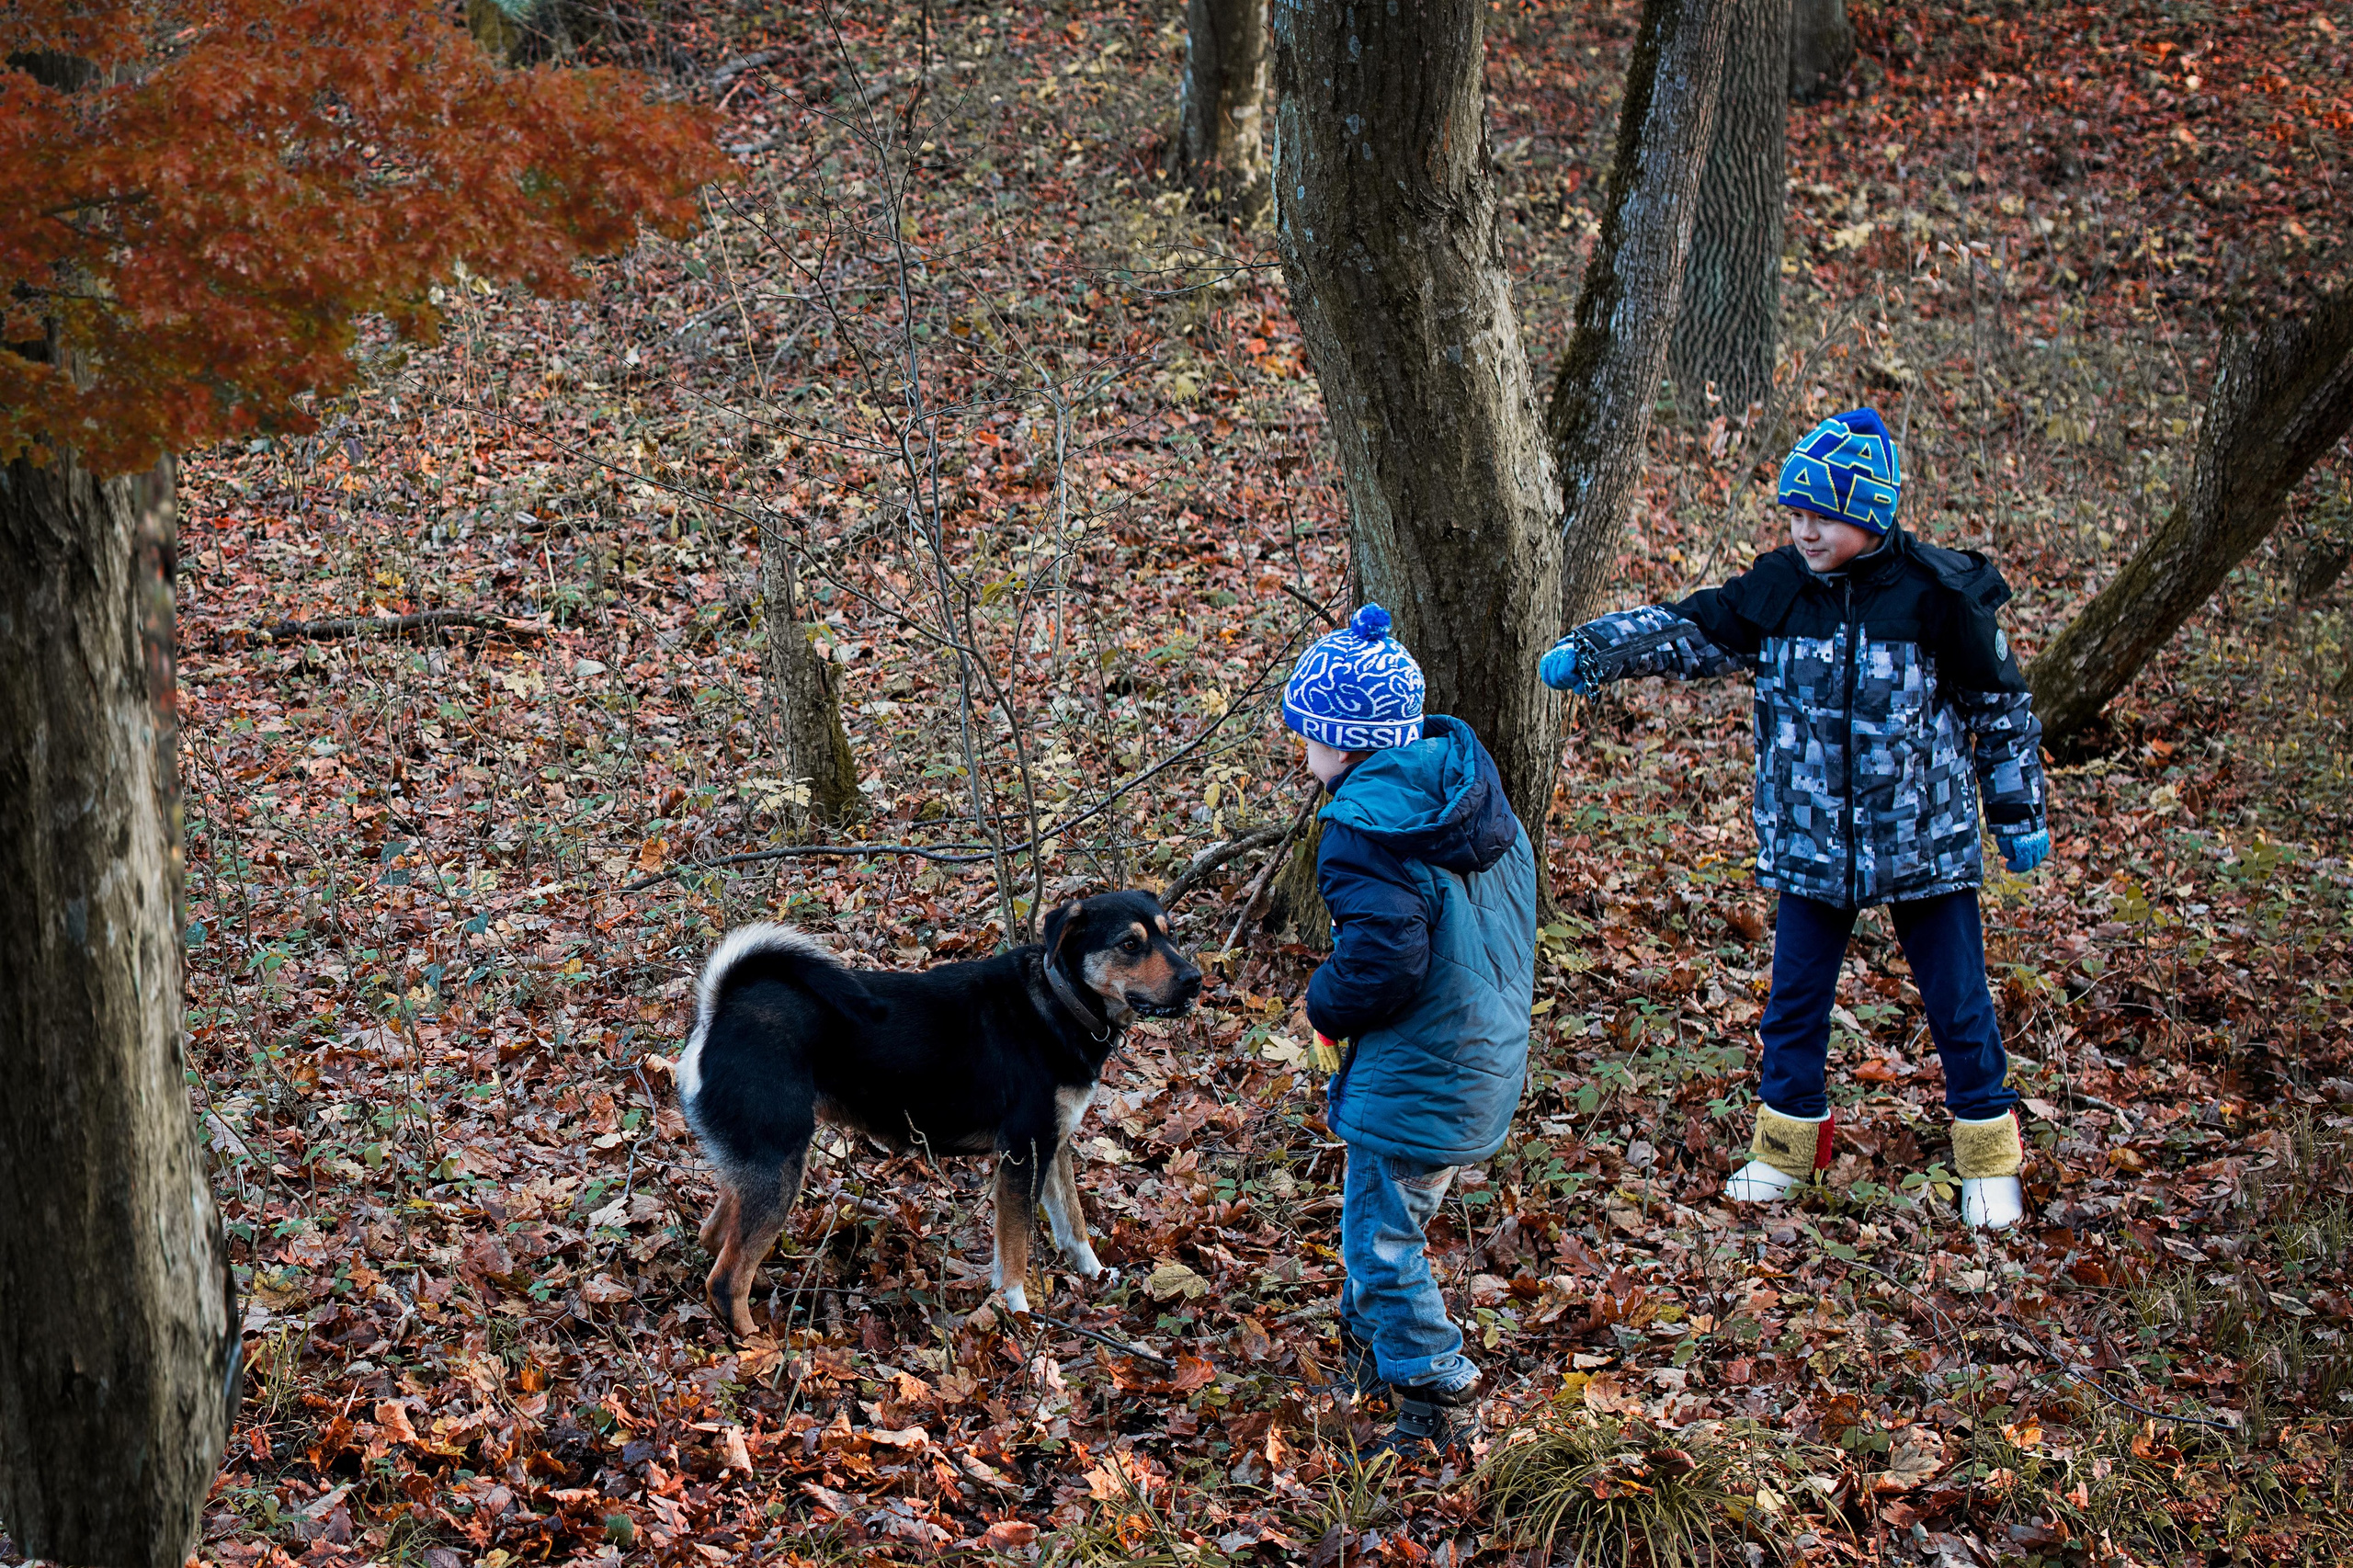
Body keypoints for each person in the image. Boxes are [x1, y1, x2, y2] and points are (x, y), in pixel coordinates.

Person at [1538, 408, 2051, 1229]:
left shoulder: (1939, 597)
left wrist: (2017, 807)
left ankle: (1989, 1157)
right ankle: (1786, 1153)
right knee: (1795, 1002)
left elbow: (1999, 706)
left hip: (1924, 844)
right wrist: (1602, 650)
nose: (1804, 530)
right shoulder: (1780, 590)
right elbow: (1689, 628)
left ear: (1870, 514)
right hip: (1813, 845)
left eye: (1823, 515)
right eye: (1795, 514)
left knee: (1959, 1001)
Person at [1281, 604, 1538, 1455]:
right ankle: (1368, 1358)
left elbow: (1386, 962)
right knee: (1382, 1218)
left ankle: (1437, 1386)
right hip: (1482, 1052)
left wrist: (1323, 1002)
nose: (1302, 753)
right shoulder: (1468, 798)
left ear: (1345, 744)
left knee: (1382, 1237)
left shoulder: (1364, 831)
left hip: (1424, 1068)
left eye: (1308, 736)